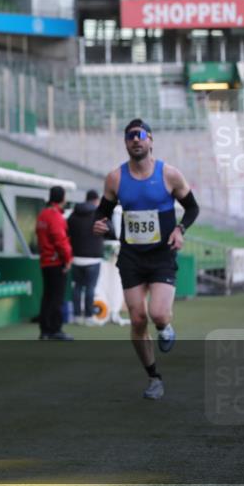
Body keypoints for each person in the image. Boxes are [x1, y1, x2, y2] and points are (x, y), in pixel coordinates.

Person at [92, 119, 199, 400]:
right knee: (137, 319)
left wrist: (180, 228)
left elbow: (192, 208)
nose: (135, 140)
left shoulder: (170, 174)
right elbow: (101, 212)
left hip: (162, 255)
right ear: (125, 143)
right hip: (131, 257)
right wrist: (99, 223)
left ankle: (165, 327)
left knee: (159, 314)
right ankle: (154, 378)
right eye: (130, 137)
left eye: (140, 136)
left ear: (150, 140)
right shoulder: (115, 178)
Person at [36, 185, 73, 340]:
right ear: (62, 198)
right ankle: (55, 330)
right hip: (56, 262)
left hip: (45, 261)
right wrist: (68, 259)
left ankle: (45, 330)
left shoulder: (42, 215)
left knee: (47, 296)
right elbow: (61, 241)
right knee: (57, 297)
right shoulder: (56, 216)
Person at [67, 189, 108, 326]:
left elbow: (67, 232)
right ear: (96, 200)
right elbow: (110, 231)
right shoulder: (99, 215)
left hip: (76, 257)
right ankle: (89, 316)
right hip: (93, 258)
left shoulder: (73, 215)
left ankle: (77, 316)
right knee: (90, 288)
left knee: (77, 287)